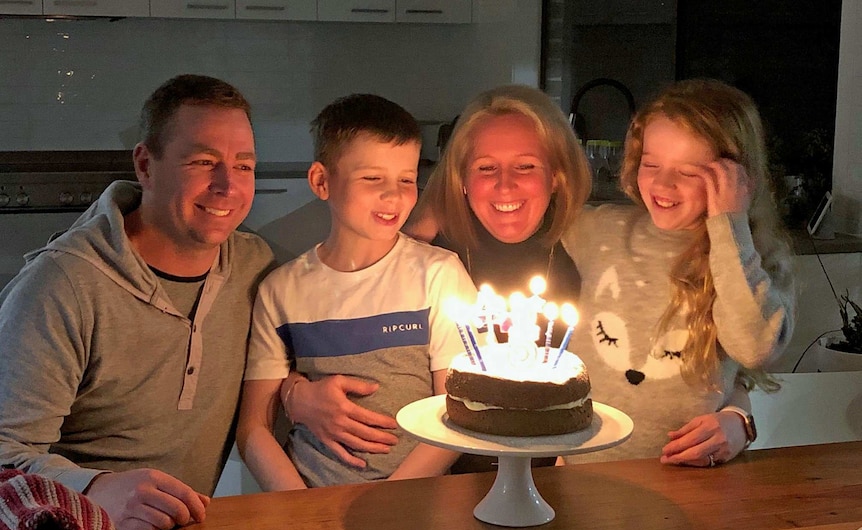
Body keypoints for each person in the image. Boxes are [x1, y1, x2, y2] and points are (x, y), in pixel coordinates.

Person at [0, 74, 275, 530]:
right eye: (203, 161)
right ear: (146, 165)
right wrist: (94, 488)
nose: (227, 185)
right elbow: (6, 452)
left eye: (244, 166)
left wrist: (298, 393)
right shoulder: (62, 284)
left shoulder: (255, 265)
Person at [282, 85, 593, 472]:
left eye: (526, 166)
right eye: (486, 168)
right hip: (441, 487)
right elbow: (332, 319)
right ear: (461, 179)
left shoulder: (590, 250)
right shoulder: (426, 252)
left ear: (557, 175)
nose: (505, 184)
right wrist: (292, 393)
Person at [237, 93, 477, 488]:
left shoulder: (438, 275)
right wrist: (301, 509)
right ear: (321, 181)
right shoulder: (282, 291)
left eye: (407, 179)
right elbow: (253, 429)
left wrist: (388, 501)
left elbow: (457, 414)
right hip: (310, 504)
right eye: (372, 179)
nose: (394, 196)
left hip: (413, 501)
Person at [561, 78, 796, 467]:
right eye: (651, 164)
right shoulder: (600, 230)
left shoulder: (758, 258)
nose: (662, 183)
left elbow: (754, 348)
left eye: (689, 172)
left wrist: (728, 226)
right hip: (580, 474)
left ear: (738, 180)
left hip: (687, 481)